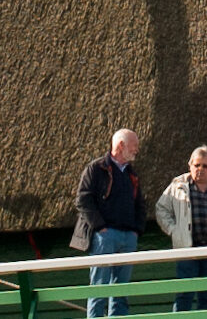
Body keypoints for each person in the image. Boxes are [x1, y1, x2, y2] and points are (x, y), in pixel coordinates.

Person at [155, 146, 207, 312]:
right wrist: (174, 231)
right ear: (190, 166)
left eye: (205, 166)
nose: (200, 169)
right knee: (184, 295)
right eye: (197, 165)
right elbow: (161, 209)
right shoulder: (177, 187)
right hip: (187, 251)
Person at [73, 128, 147, 318]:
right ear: (121, 145)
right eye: (134, 145)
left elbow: (140, 203)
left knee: (121, 290)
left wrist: (136, 230)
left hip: (127, 236)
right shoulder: (96, 168)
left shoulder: (132, 174)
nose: (137, 149)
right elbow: (83, 199)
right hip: (105, 236)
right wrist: (100, 227)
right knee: (99, 287)